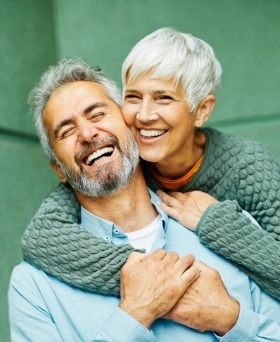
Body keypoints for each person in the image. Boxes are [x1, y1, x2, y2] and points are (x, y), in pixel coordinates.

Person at [8, 58, 280, 341]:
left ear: (131, 126)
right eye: (67, 131)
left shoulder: (236, 233)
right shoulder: (32, 287)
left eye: (97, 114)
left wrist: (231, 319)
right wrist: (135, 315)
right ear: (58, 170)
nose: (88, 133)